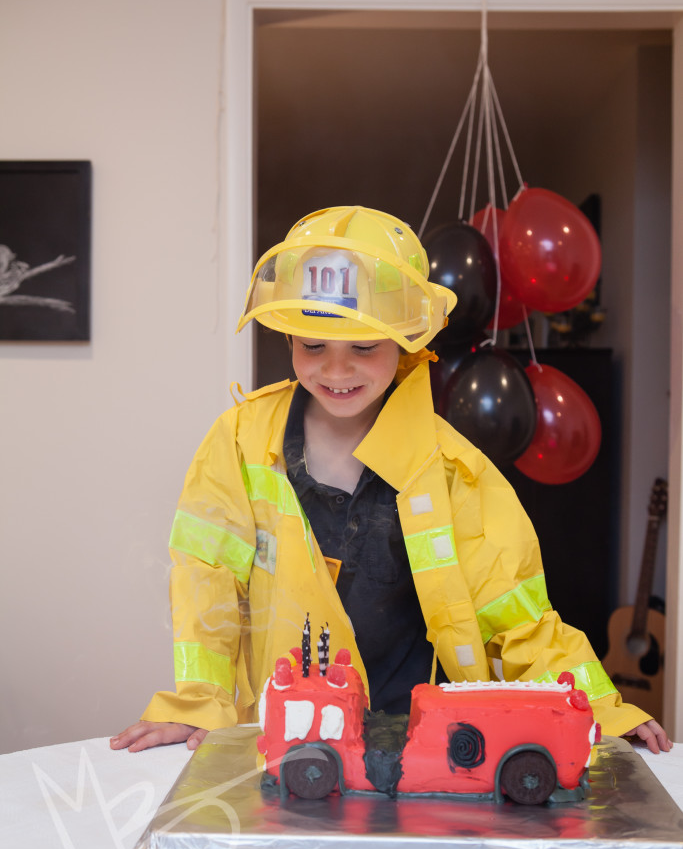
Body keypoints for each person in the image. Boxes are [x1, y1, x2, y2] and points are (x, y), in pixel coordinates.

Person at [111, 205, 672, 756]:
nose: (335, 370)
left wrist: (601, 708)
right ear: (286, 339)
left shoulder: (451, 469)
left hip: (424, 746)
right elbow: (205, 582)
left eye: (363, 347)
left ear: (406, 342)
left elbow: (520, 617)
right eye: (313, 346)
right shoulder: (240, 441)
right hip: (294, 742)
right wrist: (198, 704)